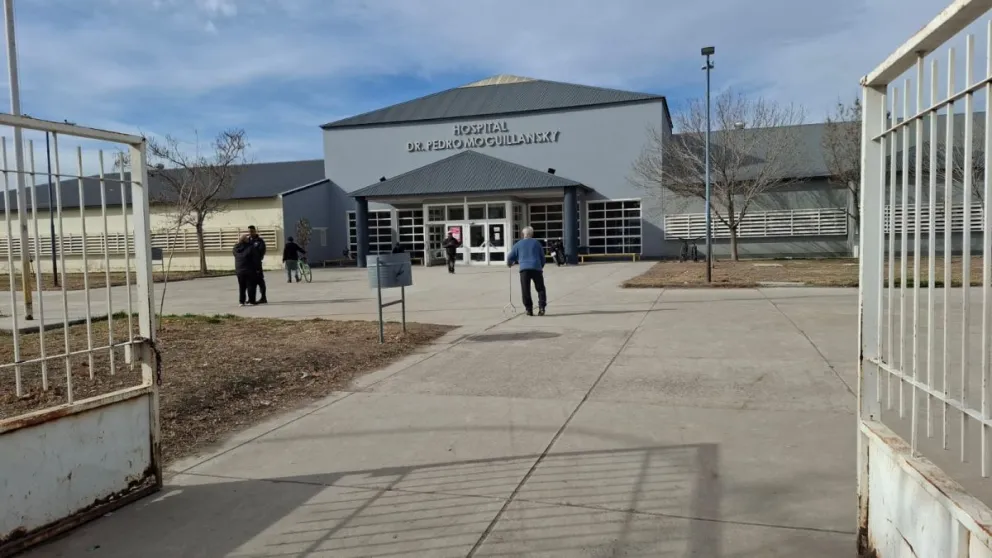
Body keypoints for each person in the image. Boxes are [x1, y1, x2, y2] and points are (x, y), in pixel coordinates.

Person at [507, 226, 547, 316]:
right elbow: (542, 258)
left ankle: (529, 309)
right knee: (540, 289)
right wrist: (541, 267)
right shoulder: (537, 243)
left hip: (524, 269)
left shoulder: (518, 244)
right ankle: (541, 308)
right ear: (532, 234)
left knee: (525, 290)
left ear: (523, 234)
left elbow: (510, 257)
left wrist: (509, 263)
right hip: (536, 268)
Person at [233, 233, 259, 306]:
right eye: (247, 238)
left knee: (242, 286)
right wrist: (257, 268)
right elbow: (255, 259)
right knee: (251, 285)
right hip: (249, 269)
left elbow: (236, 254)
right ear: (246, 240)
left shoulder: (235, 248)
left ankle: (241, 301)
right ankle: (251, 301)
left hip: (239, 270)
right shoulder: (251, 247)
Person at [247, 225, 267, 303]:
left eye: (252, 231)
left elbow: (262, 251)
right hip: (248, 265)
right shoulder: (248, 241)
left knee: (260, 281)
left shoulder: (259, 241)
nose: (250, 233)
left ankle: (263, 297)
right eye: (249, 232)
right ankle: (251, 298)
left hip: (257, 264)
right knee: (250, 282)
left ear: (255, 231)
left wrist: (258, 257)